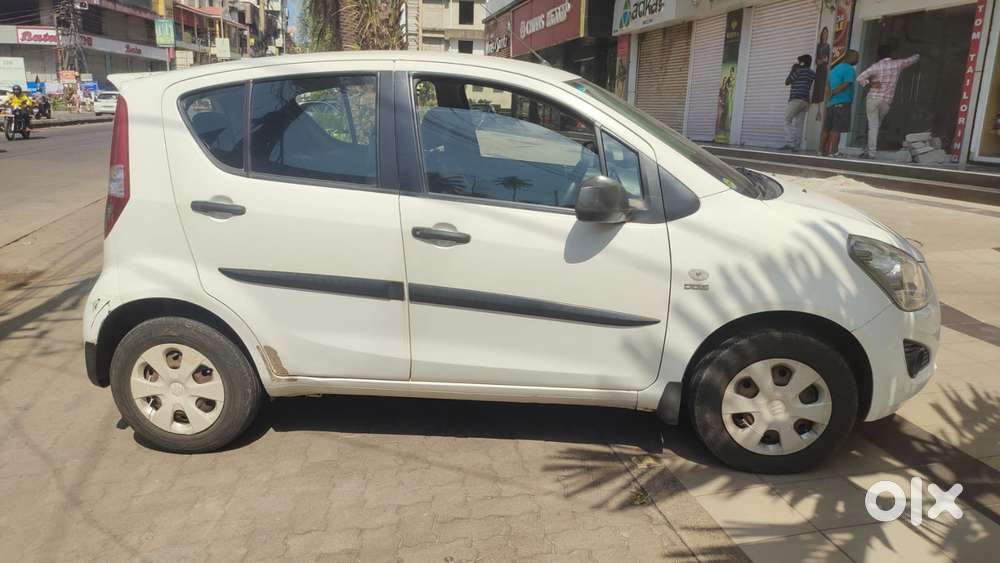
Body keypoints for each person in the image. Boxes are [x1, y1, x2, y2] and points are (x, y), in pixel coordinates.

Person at [856, 45, 920, 159]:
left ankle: (870, 152)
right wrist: (919, 54)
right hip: (887, 101)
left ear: (878, 55)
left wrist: (871, 84)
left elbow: (860, 78)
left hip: (873, 98)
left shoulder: (876, 66)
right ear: (890, 54)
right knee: (877, 125)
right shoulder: (897, 64)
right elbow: (911, 60)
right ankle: (868, 150)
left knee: (873, 126)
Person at [820, 49, 859, 157]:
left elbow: (827, 85)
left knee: (827, 128)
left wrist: (829, 96)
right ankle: (834, 152)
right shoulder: (849, 69)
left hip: (831, 103)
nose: (858, 60)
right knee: (837, 129)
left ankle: (821, 150)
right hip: (843, 102)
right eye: (857, 58)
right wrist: (833, 93)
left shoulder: (834, 69)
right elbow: (846, 84)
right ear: (851, 57)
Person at [782, 54, 816, 151]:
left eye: (799, 62)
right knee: (799, 124)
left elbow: (787, 82)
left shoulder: (798, 71)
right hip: (805, 101)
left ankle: (790, 143)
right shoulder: (812, 73)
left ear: (802, 63)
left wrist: (793, 70)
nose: (797, 63)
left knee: (786, 120)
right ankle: (796, 146)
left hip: (796, 99)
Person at [811, 27, 831, 104]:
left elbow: (827, 60)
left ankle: (820, 102)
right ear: (821, 34)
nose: (825, 35)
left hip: (824, 69)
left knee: (822, 87)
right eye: (824, 33)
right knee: (817, 87)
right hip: (818, 69)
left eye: (826, 33)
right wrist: (821, 60)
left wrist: (823, 61)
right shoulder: (818, 45)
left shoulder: (828, 46)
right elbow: (816, 60)